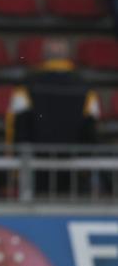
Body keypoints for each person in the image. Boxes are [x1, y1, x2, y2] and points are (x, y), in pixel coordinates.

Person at [6, 37, 101, 196]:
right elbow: (91, 129)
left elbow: (17, 127)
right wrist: (87, 166)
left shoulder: (27, 83)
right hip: (74, 169)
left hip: (36, 168)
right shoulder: (85, 85)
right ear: (68, 55)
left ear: (44, 55)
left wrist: (16, 167)